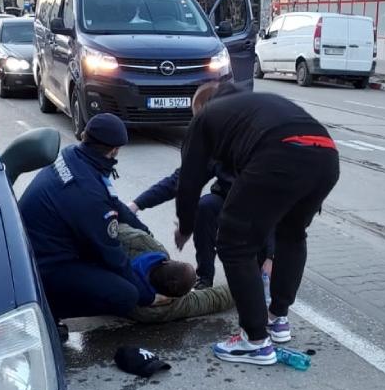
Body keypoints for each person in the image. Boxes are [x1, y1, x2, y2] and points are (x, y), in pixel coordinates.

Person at [174, 81, 340, 365]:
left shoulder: (205, 117)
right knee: (292, 234)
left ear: (202, 106)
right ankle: (277, 319)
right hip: (326, 155)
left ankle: (254, 340)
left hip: (280, 154)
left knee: (233, 244)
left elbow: (189, 180)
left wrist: (186, 226)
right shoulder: (258, 104)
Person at [17, 113, 151, 328]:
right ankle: (47, 309)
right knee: (127, 295)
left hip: (31, 249)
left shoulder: (74, 156)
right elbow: (111, 254)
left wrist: (144, 231)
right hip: (45, 267)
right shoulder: (86, 192)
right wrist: (147, 296)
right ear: (114, 149)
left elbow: (113, 201)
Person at [130, 163, 275, 289]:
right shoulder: (220, 143)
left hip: (267, 207)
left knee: (261, 278)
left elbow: (276, 207)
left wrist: (271, 256)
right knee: (205, 206)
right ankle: (205, 277)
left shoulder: (266, 148)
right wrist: (136, 205)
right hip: (229, 199)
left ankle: (268, 275)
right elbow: (184, 179)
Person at [116, 223, 235, 324]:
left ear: (165, 262)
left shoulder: (144, 243)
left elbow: (112, 225)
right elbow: (213, 299)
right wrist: (246, 290)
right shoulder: (159, 309)